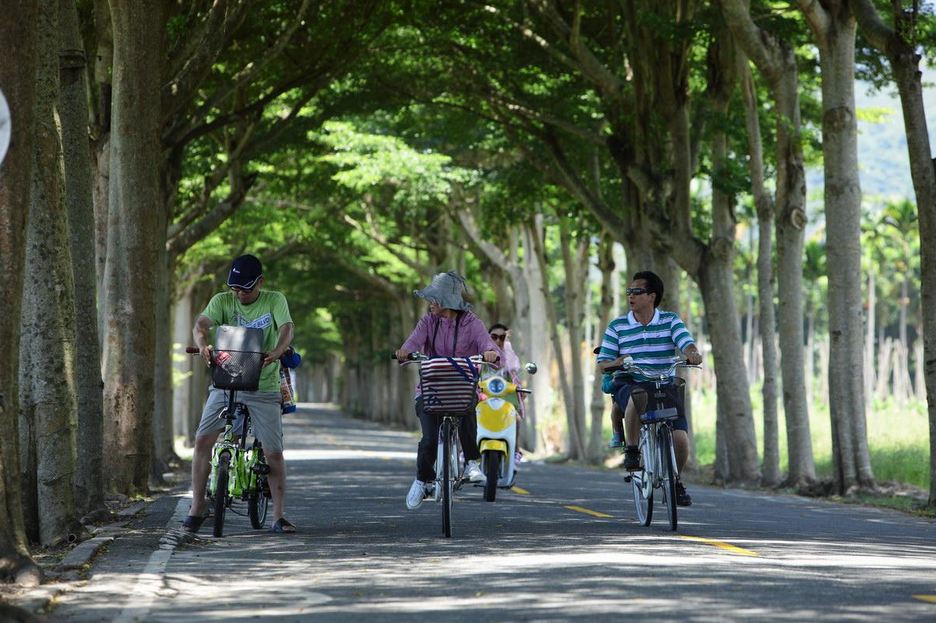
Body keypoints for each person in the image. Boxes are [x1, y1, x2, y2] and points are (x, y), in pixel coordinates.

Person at [183, 254, 297, 533]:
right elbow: (201, 325)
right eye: (235, 288)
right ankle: (198, 506)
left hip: (263, 384)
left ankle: (278, 516)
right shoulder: (222, 301)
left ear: (260, 282)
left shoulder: (274, 300)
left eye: (246, 288)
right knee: (201, 440)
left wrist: (278, 351)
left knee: (273, 453)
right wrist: (203, 345)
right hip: (226, 382)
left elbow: (287, 328)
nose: (240, 293)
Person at [596, 270, 702, 506]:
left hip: (664, 383)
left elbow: (686, 342)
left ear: (652, 296)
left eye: (637, 291)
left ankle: (675, 481)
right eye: (629, 291)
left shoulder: (670, 320)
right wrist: (618, 362)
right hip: (630, 382)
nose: (631, 296)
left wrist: (692, 354)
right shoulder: (617, 326)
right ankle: (632, 450)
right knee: (637, 394)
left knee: (681, 439)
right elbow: (603, 363)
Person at [395, 271, 499, 510]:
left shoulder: (472, 322)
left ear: (445, 301)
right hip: (430, 389)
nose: (430, 304)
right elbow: (413, 341)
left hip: (462, 388)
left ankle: (471, 462)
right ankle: (422, 480)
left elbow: (487, 343)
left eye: (434, 299)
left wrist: (491, 353)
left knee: (468, 413)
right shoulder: (428, 322)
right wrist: (404, 351)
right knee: (429, 439)